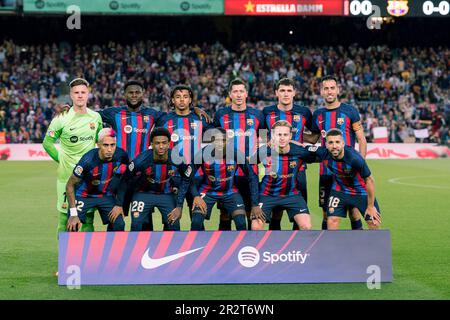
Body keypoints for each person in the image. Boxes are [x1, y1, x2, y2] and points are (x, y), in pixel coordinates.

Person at [307, 75, 367, 230]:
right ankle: (326, 246)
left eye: (332, 88)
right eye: (326, 88)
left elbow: (361, 139)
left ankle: (358, 245)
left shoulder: (350, 111)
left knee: (354, 211)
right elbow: (314, 138)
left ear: (338, 90)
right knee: (327, 211)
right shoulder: (318, 114)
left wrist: (361, 165)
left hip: (348, 170)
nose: (329, 91)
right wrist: (294, 134)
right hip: (326, 171)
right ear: (321, 91)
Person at [43, 78, 103, 234]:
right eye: (76, 93)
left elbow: (99, 142)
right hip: (66, 176)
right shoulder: (60, 118)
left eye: (83, 92)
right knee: (64, 219)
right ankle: (66, 258)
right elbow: (47, 143)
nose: (80, 96)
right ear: (71, 95)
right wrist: (61, 159)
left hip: (88, 177)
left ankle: (87, 256)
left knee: (88, 218)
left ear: (88, 94)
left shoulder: (95, 118)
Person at [156, 84, 212, 229]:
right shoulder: (164, 120)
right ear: (172, 100)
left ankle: (200, 250)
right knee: (171, 221)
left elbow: (218, 137)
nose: (182, 100)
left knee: (197, 221)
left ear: (190, 100)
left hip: (197, 176)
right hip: (172, 177)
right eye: (178, 97)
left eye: (185, 97)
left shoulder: (201, 119)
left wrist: (196, 110)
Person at [213, 78, 266, 230]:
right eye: (235, 91)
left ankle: (249, 246)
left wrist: (255, 157)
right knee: (224, 213)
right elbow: (213, 141)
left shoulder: (257, 115)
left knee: (251, 212)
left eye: (241, 91)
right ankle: (223, 249)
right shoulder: (220, 115)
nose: (238, 95)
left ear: (246, 94)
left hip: (250, 174)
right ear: (230, 94)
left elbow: (264, 142)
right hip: (226, 173)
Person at [263, 77, 313, 230]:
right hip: (274, 167)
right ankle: (275, 247)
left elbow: (314, 135)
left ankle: (295, 249)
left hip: (298, 169)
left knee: (299, 213)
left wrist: (299, 143)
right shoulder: (267, 112)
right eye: (282, 91)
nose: (286, 94)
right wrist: (268, 142)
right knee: (275, 211)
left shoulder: (304, 112)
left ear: (294, 93)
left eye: (289, 91)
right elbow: (261, 133)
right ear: (276, 93)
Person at [249, 121, 316, 231]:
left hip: (292, 195)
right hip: (267, 195)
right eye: (279, 134)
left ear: (290, 136)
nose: (282, 138)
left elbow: (320, 156)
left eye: (285, 135)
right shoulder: (263, 152)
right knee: (256, 227)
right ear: (273, 135)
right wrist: (254, 204)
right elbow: (250, 172)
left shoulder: (300, 151)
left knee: (306, 226)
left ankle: (297, 248)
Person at [190, 128, 259, 231]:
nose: (220, 144)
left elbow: (252, 177)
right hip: (208, 191)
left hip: (230, 191)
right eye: (216, 140)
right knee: (196, 221)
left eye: (223, 140)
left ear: (228, 141)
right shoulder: (202, 154)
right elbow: (187, 177)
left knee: (241, 223)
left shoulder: (236, 154)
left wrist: (254, 204)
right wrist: (196, 196)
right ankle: (199, 245)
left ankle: (238, 246)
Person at [311, 129, 381, 230]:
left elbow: (369, 180)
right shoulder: (323, 153)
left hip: (360, 191)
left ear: (343, 143)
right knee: (331, 221)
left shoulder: (355, 159)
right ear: (325, 144)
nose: (334, 146)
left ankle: (368, 244)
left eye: (337, 142)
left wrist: (370, 207)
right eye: (331, 142)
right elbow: (303, 149)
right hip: (339, 190)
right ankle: (332, 245)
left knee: (373, 222)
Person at [126, 127, 193, 231]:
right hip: (143, 193)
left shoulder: (178, 158)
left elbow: (186, 179)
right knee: (136, 224)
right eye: (157, 143)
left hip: (166, 194)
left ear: (169, 143)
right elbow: (127, 178)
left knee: (174, 224)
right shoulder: (141, 160)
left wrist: (179, 205)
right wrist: (126, 201)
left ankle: (173, 247)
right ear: (152, 144)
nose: (161, 146)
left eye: (164, 143)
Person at [66, 128, 129, 232]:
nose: (110, 149)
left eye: (112, 145)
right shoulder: (87, 160)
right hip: (83, 195)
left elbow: (124, 179)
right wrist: (73, 214)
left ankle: (111, 247)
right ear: (98, 144)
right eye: (105, 145)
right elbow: (69, 185)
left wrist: (119, 204)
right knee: (73, 226)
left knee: (119, 224)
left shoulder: (121, 155)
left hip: (106, 195)